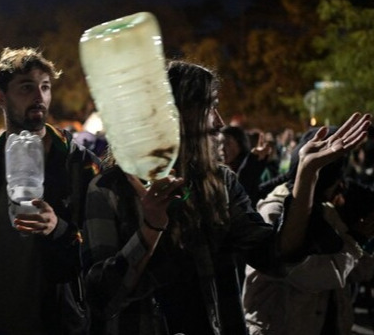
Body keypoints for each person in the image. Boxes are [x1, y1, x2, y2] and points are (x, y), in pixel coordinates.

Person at [81, 60, 371, 335]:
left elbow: (276, 258)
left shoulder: (220, 183)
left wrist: (307, 175)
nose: (219, 123)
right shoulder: (110, 189)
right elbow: (102, 298)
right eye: (210, 107)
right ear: (176, 115)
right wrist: (150, 230)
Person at [0, 47, 101, 334]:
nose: (39, 97)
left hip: (58, 323)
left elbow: (101, 257)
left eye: (45, 87)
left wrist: (58, 228)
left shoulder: (80, 165)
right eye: (27, 88)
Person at [243, 126, 374, 334]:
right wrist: (356, 240)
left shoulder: (325, 210)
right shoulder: (273, 211)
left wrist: (364, 240)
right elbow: (313, 275)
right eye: (336, 182)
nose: (341, 188)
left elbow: (356, 270)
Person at [221, 125, 272, 207]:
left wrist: (252, 161)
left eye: (227, 143)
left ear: (240, 143)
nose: (222, 148)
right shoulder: (217, 172)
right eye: (219, 143)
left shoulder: (252, 166)